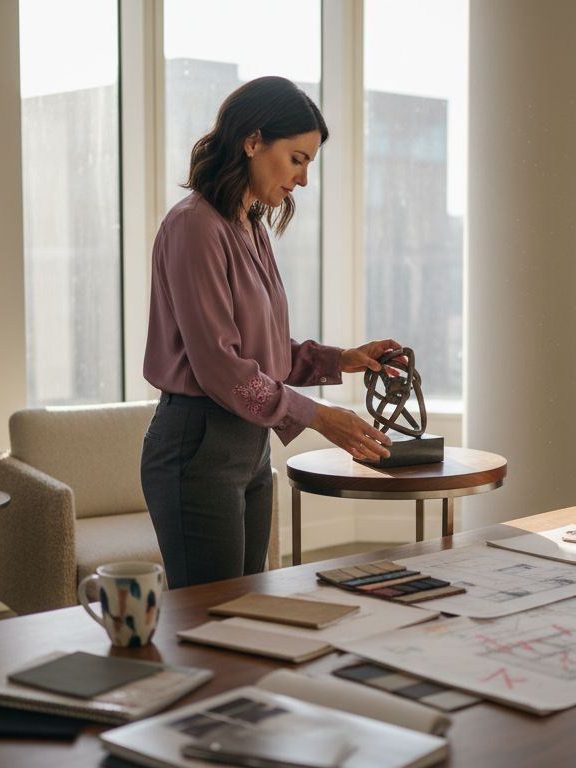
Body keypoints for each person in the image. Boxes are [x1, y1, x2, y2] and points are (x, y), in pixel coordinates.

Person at [141, 76, 400, 590]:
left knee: (244, 608)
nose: (302, 180)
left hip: (249, 443)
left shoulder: (250, 225)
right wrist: (321, 417)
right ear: (253, 140)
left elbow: (257, 351)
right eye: (298, 159)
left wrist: (339, 359)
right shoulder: (195, 226)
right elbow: (221, 368)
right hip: (198, 443)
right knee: (209, 621)